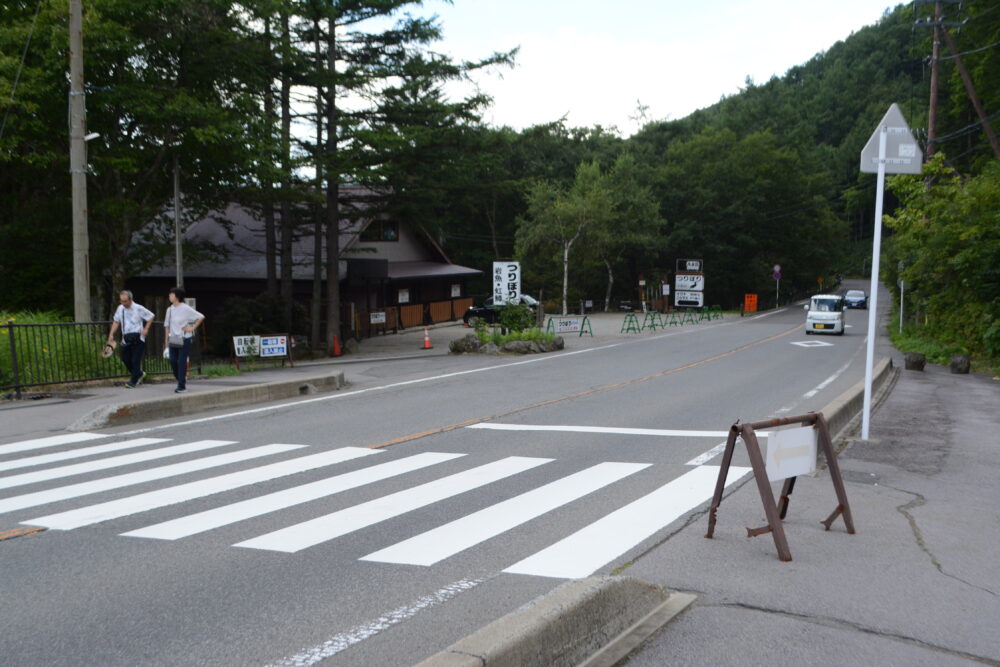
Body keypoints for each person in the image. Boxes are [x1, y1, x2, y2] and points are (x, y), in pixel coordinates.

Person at [106, 290, 154, 389]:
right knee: (125, 358)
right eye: (121, 301)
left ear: (130, 299)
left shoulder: (138, 308)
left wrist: (146, 329)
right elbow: (116, 321)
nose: (123, 303)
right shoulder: (120, 308)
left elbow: (151, 316)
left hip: (138, 337)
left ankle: (133, 381)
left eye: (125, 301)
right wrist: (111, 334)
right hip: (126, 337)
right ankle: (139, 373)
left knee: (135, 359)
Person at [163, 286, 204, 394]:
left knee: (181, 362)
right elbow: (167, 326)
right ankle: (181, 378)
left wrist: (192, 327)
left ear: (177, 296)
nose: (169, 296)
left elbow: (200, 316)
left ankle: (181, 386)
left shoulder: (185, 308)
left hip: (184, 338)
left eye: (171, 294)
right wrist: (166, 342)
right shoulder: (169, 309)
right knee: (172, 361)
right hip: (173, 339)